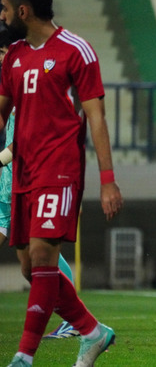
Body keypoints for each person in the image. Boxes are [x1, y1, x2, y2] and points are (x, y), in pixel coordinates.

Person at [0, 0, 123, 366]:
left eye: (4, 9)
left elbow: (97, 119)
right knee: (28, 267)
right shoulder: (15, 57)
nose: (1, 17)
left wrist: (107, 181)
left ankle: (24, 355)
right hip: (23, 171)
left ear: (23, 10)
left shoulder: (76, 51)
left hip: (60, 168)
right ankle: (92, 331)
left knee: (41, 255)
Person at [0, 28, 79, 340]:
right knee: (33, 266)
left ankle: (77, 320)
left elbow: (26, 140)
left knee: (38, 264)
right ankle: (78, 321)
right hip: (8, 188)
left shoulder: (35, 86)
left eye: (4, 55)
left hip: (30, 185)